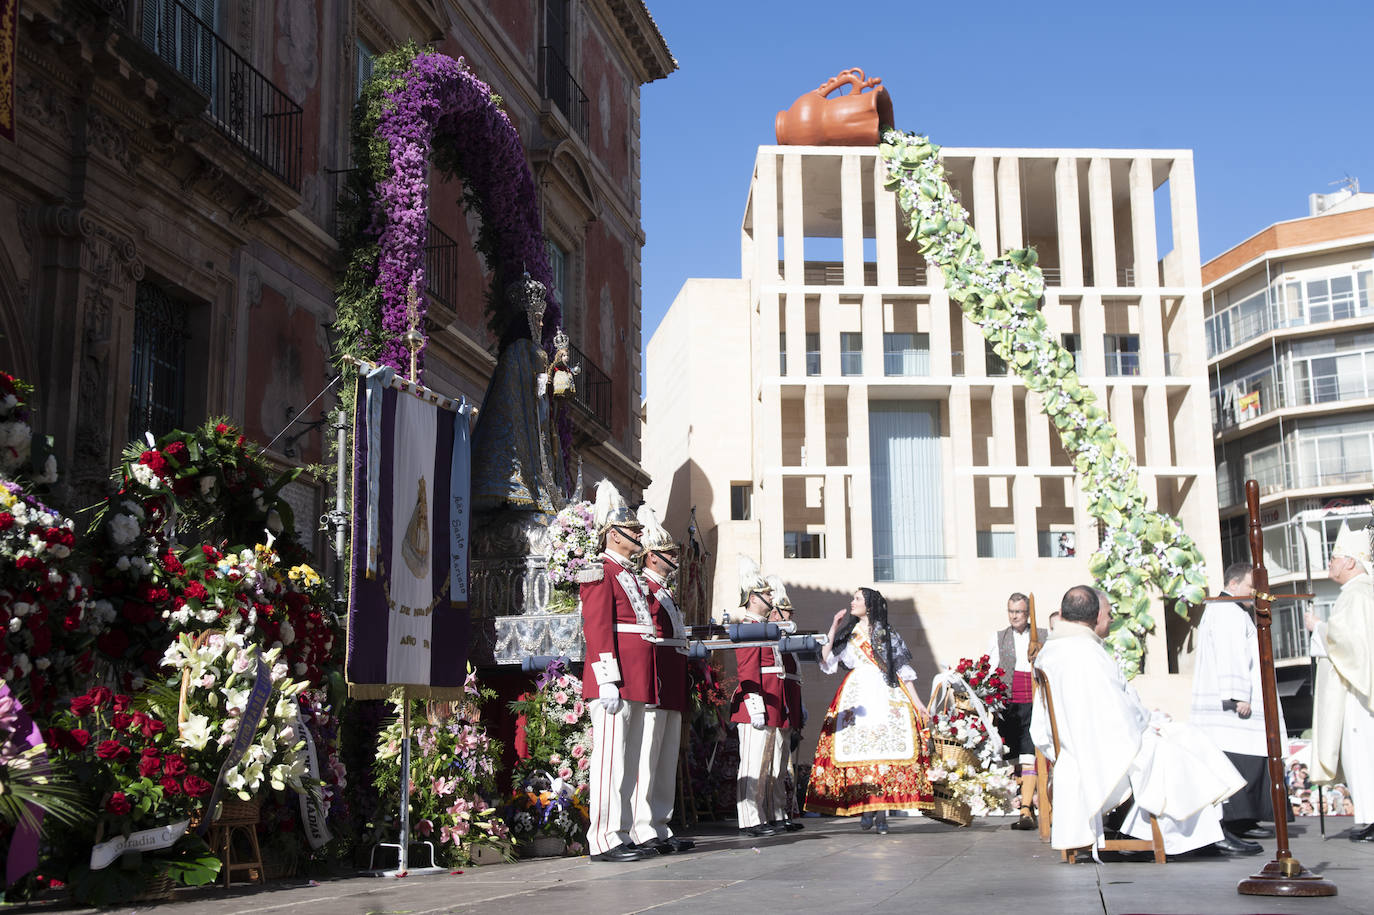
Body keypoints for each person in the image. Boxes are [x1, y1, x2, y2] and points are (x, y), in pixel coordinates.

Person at [1031, 585, 1250, 856]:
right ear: (1095, 616)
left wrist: (1146, 718)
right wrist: (1148, 721)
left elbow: (1106, 708)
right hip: (1099, 751)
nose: (1111, 619)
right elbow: (1118, 713)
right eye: (1110, 614)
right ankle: (1201, 837)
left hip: (1079, 744)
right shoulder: (1086, 654)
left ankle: (1210, 828)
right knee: (1174, 746)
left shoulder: (1055, 650)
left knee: (1184, 735)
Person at [804, 588, 932, 834]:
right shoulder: (848, 634)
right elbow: (826, 660)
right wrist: (833, 626)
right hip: (857, 694)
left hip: (885, 692)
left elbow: (902, 669)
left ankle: (881, 811)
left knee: (882, 749)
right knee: (858, 749)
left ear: (870, 605)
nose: (852, 602)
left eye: (857, 599)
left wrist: (917, 702)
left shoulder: (886, 633)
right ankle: (865, 806)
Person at [579, 481, 655, 862]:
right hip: (615, 680)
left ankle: (621, 832)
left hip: (636, 679)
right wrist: (606, 677)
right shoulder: (601, 570)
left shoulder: (628, 573)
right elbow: (597, 628)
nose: (639, 535)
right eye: (634, 530)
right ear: (613, 534)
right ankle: (603, 837)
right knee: (610, 761)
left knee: (628, 763)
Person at [1190, 561, 1288, 852]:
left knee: (1252, 761)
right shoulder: (1227, 611)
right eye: (1250, 587)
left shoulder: (1227, 610)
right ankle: (1229, 825)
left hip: (1232, 707)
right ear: (1233, 585)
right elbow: (1231, 654)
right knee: (1240, 763)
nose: (1254, 593)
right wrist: (1237, 695)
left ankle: (1242, 822)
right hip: (1233, 710)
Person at [629, 505, 694, 854]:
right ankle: (642, 827)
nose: (674, 558)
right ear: (652, 558)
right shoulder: (645, 589)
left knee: (665, 757)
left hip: (672, 681)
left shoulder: (664, 591)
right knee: (648, 758)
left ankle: (660, 824)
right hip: (656, 681)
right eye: (668, 554)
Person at [1304, 521, 1374, 842]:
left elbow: (1350, 644)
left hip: (1359, 694)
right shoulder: (1358, 592)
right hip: (1356, 688)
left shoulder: (1359, 593)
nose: (1330, 563)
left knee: (1363, 752)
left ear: (1350, 562)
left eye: (1334, 557)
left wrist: (1318, 627)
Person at [729, 556, 784, 837]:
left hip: (768, 706)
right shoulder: (750, 625)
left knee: (762, 766)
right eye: (765, 593)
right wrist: (756, 705)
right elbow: (748, 670)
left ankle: (758, 816)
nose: (771, 596)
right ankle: (749, 818)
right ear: (752, 597)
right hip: (755, 706)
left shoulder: (762, 626)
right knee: (751, 764)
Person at [986, 592, 1046, 830]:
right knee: (1013, 759)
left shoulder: (1043, 635)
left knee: (1030, 752)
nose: (1014, 616)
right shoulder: (999, 637)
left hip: (1034, 702)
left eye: (1019, 612)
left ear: (1027, 612)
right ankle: (1026, 802)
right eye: (1011, 611)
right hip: (1009, 704)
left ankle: (1026, 810)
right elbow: (991, 669)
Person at [764, 575, 805, 832]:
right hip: (776, 703)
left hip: (789, 704)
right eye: (785, 612)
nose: (789, 616)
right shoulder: (772, 637)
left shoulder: (786, 638)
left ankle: (779, 812)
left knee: (781, 765)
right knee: (770, 763)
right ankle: (770, 813)